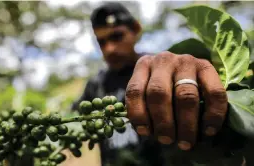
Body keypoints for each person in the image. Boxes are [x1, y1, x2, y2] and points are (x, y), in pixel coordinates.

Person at [70, 2, 228, 166]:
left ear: (136, 29)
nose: (109, 49)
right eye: (101, 42)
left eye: (116, 36)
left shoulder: (160, 71)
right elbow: (71, 120)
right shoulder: (96, 85)